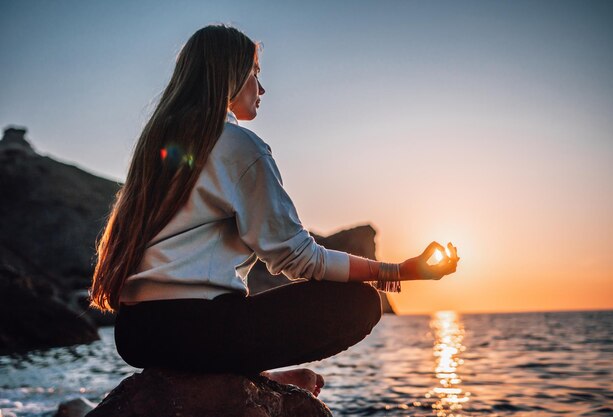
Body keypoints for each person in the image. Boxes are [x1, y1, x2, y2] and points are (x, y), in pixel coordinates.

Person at [90, 25, 460, 397]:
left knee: (232, 315)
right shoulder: (237, 145)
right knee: (359, 302)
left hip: (137, 335)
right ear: (230, 76)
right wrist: (398, 270)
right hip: (194, 330)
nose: (261, 89)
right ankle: (254, 377)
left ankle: (257, 377)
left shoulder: (156, 144)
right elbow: (297, 256)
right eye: (255, 73)